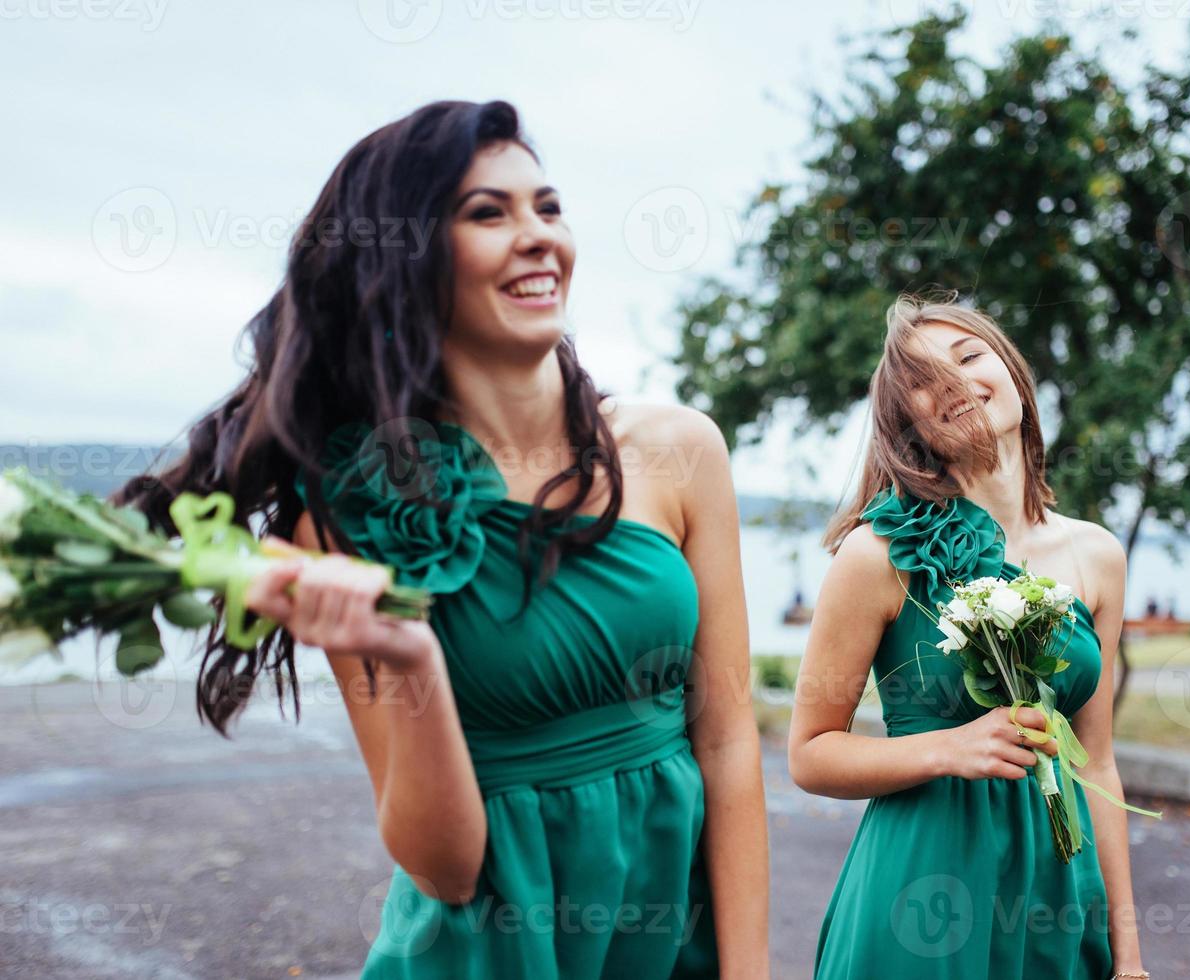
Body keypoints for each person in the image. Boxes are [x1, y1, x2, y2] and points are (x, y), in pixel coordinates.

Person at [115, 99, 769, 978]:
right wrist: (411, 656)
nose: (538, 235)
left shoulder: (680, 448)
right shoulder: (346, 516)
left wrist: (749, 969)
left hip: (670, 947)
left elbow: (727, 744)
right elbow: (444, 866)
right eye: (487, 213)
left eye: (547, 205)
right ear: (408, 260)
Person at [787, 293, 1148, 979]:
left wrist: (1128, 957)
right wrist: (950, 748)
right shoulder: (879, 555)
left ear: (1010, 369)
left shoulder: (1098, 556)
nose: (953, 385)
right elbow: (809, 754)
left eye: (968, 356)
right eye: (923, 382)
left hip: (1055, 896)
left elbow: (1095, 765)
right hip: (920, 895)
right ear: (908, 423)